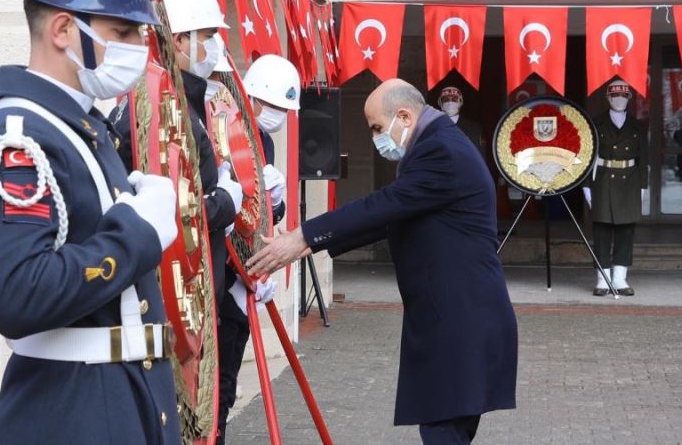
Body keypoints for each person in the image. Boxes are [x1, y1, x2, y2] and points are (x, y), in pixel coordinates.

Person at [0, 0, 182, 444]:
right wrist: (138, 232)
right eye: (123, 32)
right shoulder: (21, 138)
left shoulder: (77, 128)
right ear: (62, 29)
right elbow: (16, 293)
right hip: (71, 413)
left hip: (110, 402)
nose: (138, 47)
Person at [246, 79, 517, 444]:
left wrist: (303, 237)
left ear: (404, 116)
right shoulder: (436, 144)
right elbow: (392, 217)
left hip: (461, 322)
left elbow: (386, 204)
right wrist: (309, 244)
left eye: (376, 128)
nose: (375, 138)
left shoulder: (441, 151)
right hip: (456, 320)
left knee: (443, 431)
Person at [110, 0, 243, 310]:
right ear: (180, 40)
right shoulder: (161, 109)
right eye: (208, 37)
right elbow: (170, 209)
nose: (214, 48)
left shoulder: (176, 102)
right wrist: (225, 203)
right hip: (171, 296)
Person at [217, 53, 300, 444]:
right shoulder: (223, 128)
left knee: (227, 385)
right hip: (219, 276)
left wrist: (276, 203)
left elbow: (261, 213)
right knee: (214, 391)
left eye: (284, 110)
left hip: (244, 276)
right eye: (272, 106)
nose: (277, 116)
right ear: (251, 97)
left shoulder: (263, 139)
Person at [583, 79, 648, 296]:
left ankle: (620, 279)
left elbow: (643, 159)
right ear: (608, 98)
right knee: (601, 232)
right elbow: (586, 157)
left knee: (625, 232)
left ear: (629, 99)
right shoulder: (595, 123)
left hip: (629, 181)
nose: (619, 99)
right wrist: (586, 187)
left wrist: (643, 187)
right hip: (602, 180)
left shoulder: (637, 125)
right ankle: (602, 279)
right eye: (615, 96)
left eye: (623, 96)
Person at [437, 85, 484, 152]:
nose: (450, 102)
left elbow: (480, 155)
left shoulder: (474, 129)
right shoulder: (431, 128)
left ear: (460, 103)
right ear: (440, 103)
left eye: (454, 99)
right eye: (446, 99)